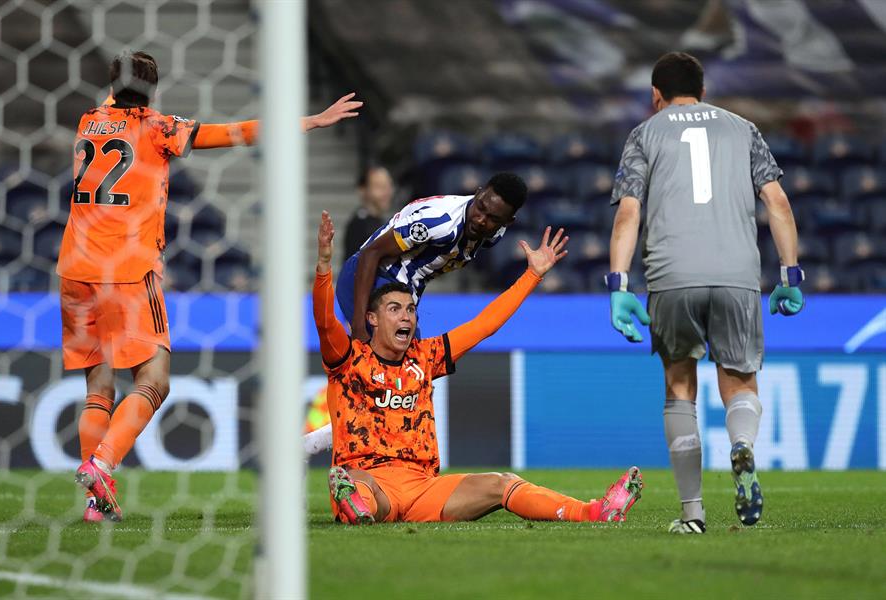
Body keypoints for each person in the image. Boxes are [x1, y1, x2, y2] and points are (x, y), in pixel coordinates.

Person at [63, 50, 361, 522]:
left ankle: (95, 503)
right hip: (126, 270)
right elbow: (232, 133)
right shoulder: (157, 127)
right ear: (152, 94)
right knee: (155, 381)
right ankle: (101, 465)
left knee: (99, 389)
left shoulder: (89, 120)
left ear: (112, 88)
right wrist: (311, 121)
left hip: (73, 271)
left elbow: (120, 94)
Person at [314, 210, 644, 524]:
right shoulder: (348, 360)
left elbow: (486, 324)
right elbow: (326, 322)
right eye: (395, 309)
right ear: (371, 318)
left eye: (411, 310)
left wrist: (532, 275)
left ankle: (594, 512)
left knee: (502, 483)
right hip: (370, 479)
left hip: (424, 488)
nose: (406, 316)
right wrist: (325, 268)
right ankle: (353, 504)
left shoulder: (426, 356)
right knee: (356, 484)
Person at [606, 52, 803, 534]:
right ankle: (743, 445)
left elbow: (629, 213)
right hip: (737, 275)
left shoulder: (644, 135)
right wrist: (790, 274)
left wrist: (618, 284)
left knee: (679, 386)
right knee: (739, 381)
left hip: (672, 276)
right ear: (704, 91)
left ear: (656, 96)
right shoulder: (743, 129)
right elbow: (776, 201)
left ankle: (692, 515)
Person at [302, 172, 527, 456]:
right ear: (479, 192)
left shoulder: (494, 234)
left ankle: (322, 445)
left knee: (403, 382)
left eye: (492, 217)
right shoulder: (439, 223)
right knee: (408, 371)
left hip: (402, 292)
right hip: (371, 278)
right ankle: (354, 456)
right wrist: (359, 325)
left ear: (507, 222)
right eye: (481, 206)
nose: (481, 218)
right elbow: (371, 254)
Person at [342, 166, 395, 261]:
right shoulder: (359, 226)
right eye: (379, 187)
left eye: (389, 185)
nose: (387, 192)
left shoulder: (382, 222)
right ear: (363, 190)